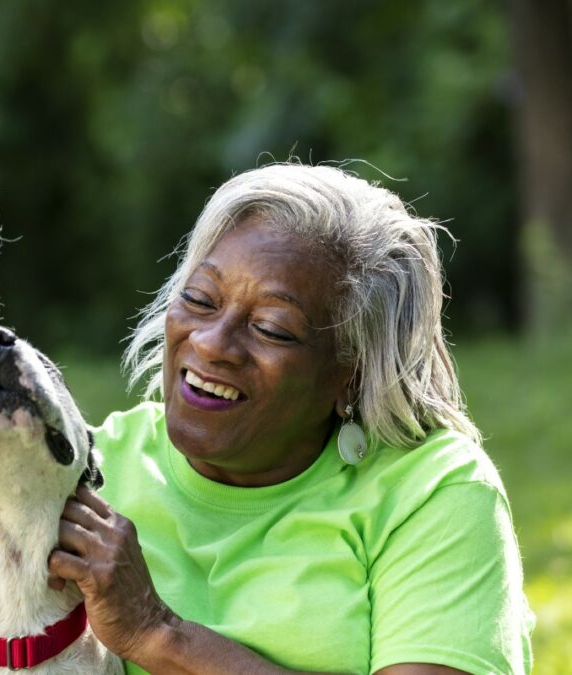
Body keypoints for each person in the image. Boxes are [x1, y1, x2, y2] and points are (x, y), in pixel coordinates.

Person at [49, 163, 535, 674]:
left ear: (352, 375)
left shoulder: (432, 491)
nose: (211, 343)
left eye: (272, 329)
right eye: (200, 300)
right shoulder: (87, 467)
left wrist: (156, 633)